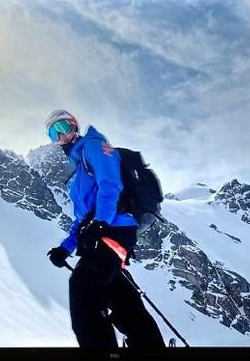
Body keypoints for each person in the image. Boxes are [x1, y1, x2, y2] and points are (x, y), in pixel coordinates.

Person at [44, 110, 165, 349]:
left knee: (83, 284)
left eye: (64, 128)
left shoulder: (94, 146)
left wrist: (101, 221)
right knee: (117, 294)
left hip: (113, 230)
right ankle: (149, 344)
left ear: (74, 126)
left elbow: (110, 184)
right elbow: (81, 219)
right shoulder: (79, 171)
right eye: (53, 134)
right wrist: (65, 249)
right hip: (99, 233)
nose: (61, 136)